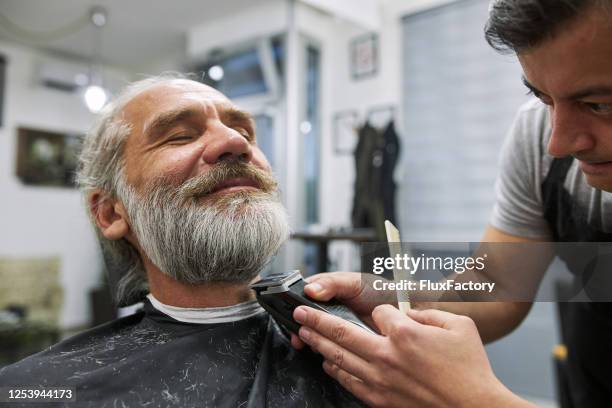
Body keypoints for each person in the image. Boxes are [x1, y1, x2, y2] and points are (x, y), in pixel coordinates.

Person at [290, 0, 612, 407]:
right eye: (544, 97)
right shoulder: (536, 133)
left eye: (600, 104)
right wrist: (397, 299)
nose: (559, 142)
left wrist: (472, 399)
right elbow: (496, 285)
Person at [0, 75, 364, 408]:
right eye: (180, 135)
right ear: (111, 213)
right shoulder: (30, 390)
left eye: (246, 133)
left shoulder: (381, 334)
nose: (237, 143)